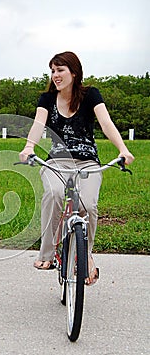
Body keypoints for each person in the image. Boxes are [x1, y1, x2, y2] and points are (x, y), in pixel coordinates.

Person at [19, 51, 134, 285]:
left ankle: (86, 256)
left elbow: (105, 122)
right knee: (54, 194)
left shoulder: (90, 95)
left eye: (60, 70)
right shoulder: (47, 99)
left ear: (73, 72)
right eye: (52, 71)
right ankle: (48, 253)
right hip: (57, 161)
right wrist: (29, 147)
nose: (55, 75)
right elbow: (38, 124)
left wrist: (123, 149)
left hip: (88, 161)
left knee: (88, 205)